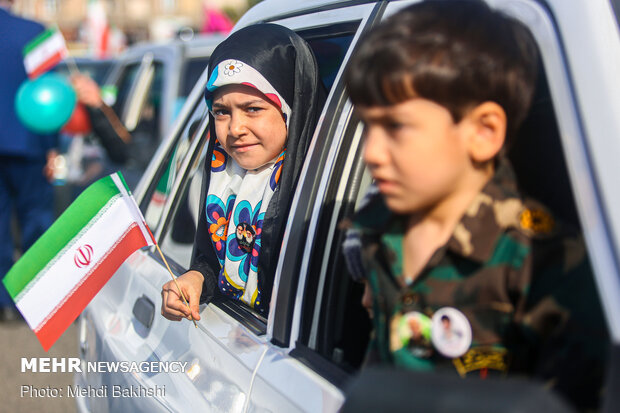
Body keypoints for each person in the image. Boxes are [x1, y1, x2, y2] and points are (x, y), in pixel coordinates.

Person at [343, 0, 608, 409]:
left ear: (484, 132)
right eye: (367, 126)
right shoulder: (379, 231)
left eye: (395, 126)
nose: (371, 152)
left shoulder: (543, 260)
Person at [161, 23, 324, 319]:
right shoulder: (223, 177)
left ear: (291, 108)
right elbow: (212, 260)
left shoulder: (321, 187)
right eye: (221, 112)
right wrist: (197, 279)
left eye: (253, 109)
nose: (235, 129)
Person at [0, 0, 57, 321]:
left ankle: (4, 304)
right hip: (29, 142)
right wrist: (52, 147)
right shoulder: (35, 33)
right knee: (36, 221)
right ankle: (36, 302)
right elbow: (49, 94)